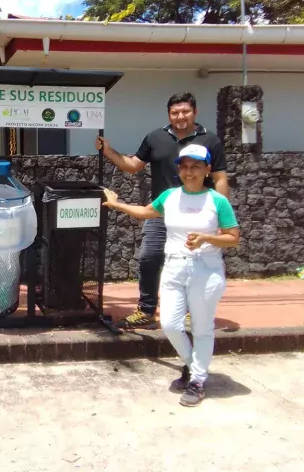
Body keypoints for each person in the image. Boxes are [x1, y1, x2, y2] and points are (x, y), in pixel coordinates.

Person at [102, 144, 240, 406]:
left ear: (207, 170)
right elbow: (146, 212)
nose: (189, 172)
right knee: (170, 324)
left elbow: (233, 238)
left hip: (206, 268)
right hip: (175, 267)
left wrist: (207, 239)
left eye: (196, 166)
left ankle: (198, 380)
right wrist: (117, 204)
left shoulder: (217, 201)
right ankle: (193, 365)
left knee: (202, 328)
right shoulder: (170, 196)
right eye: (185, 166)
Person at [95, 92, 229, 329]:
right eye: (175, 112)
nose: (181, 117)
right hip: (160, 211)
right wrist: (108, 150)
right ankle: (146, 310)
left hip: (196, 213)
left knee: (192, 262)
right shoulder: (155, 137)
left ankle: (191, 312)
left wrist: (220, 212)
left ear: (195, 113)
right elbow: (134, 165)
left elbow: (219, 178)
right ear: (169, 114)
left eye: (185, 111)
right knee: (149, 258)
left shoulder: (210, 140)